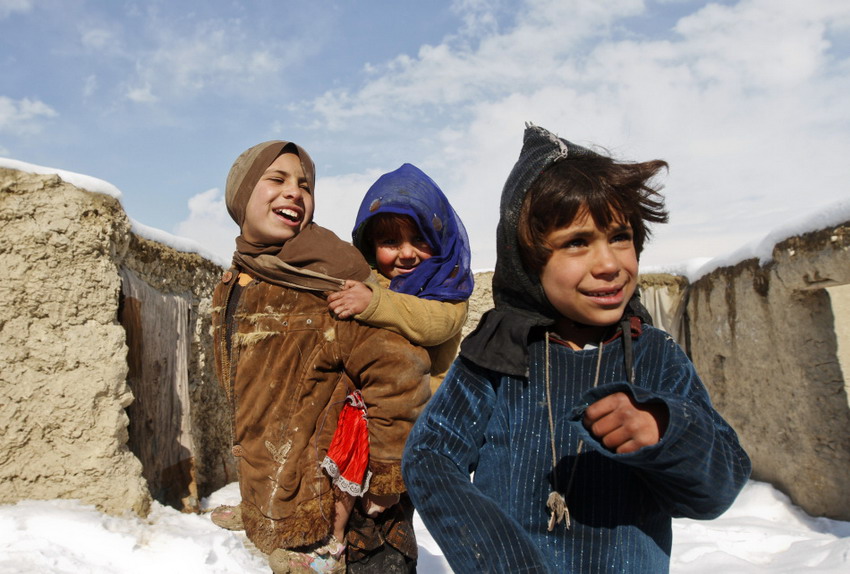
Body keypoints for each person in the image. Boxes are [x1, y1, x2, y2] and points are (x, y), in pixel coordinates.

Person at [401, 123, 752, 573]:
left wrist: (665, 431)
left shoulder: (655, 354)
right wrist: (503, 562)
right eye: (577, 243)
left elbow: (718, 489)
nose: (608, 265)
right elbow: (430, 459)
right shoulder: (498, 353)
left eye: (620, 237)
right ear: (528, 262)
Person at [211, 140, 431, 574]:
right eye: (277, 179)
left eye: (304, 185)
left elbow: (400, 374)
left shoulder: (329, 280)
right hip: (286, 492)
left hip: (352, 514)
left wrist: (387, 480)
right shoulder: (242, 277)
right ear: (240, 196)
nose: (294, 191)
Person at [324, 163, 474, 570]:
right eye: (390, 241)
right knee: (339, 522)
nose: (406, 253)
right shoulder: (370, 283)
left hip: (409, 436)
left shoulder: (448, 291)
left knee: (384, 536)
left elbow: (429, 323)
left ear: (440, 241)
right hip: (362, 426)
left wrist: (372, 303)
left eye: (419, 240)